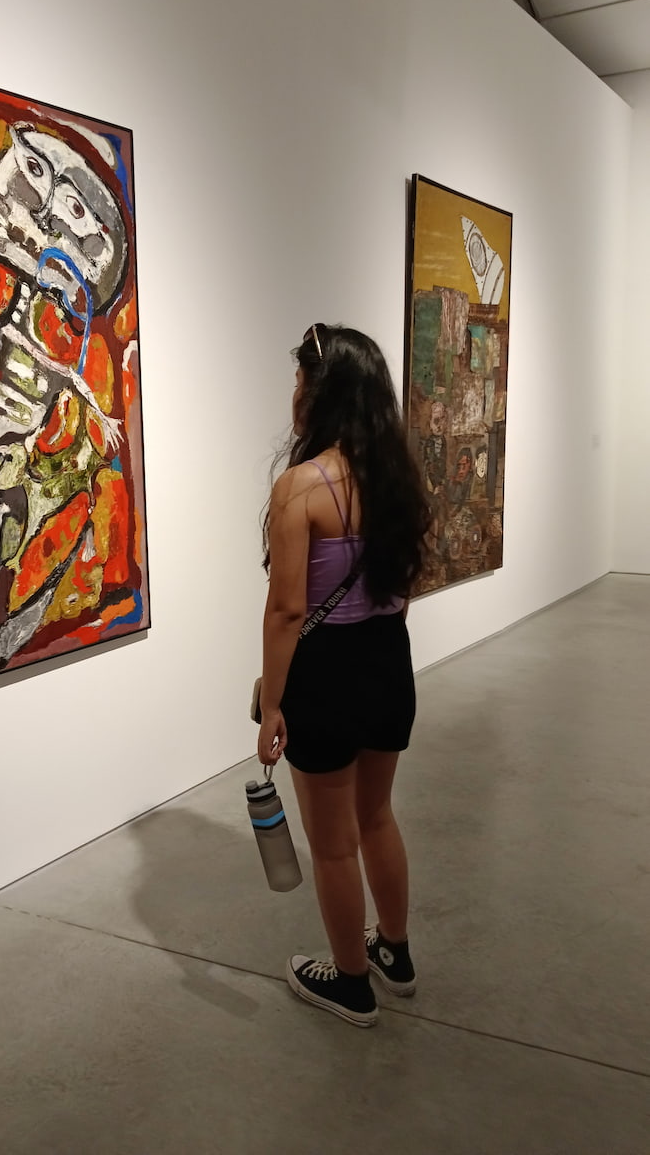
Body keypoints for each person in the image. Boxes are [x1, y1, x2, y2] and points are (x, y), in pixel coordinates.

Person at [258, 324, 430, 1027]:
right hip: (389, 659)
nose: (294, 393)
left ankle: (352, 986)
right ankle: (395, 953)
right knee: (377, 814)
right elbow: (403, 590)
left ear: (321, 392)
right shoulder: (400, 481)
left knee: (332, 846)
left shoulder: (300, 488)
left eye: (300, 379)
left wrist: (273, 703)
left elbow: (287, 611)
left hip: (325, 673)